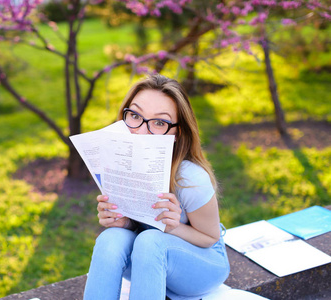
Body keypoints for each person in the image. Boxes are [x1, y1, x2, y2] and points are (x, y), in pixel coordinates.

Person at [83, 74, 230, 300]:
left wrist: (173, 226)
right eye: (134, 115)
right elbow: (134, 229)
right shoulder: (120, 162)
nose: (141, 131)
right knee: (110, 238)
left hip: (201, 265)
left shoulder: (190, 178)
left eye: (159, 123)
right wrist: (123, 223)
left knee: (150, 241)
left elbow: (209, 238)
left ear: (177, 132)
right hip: (150, 262)